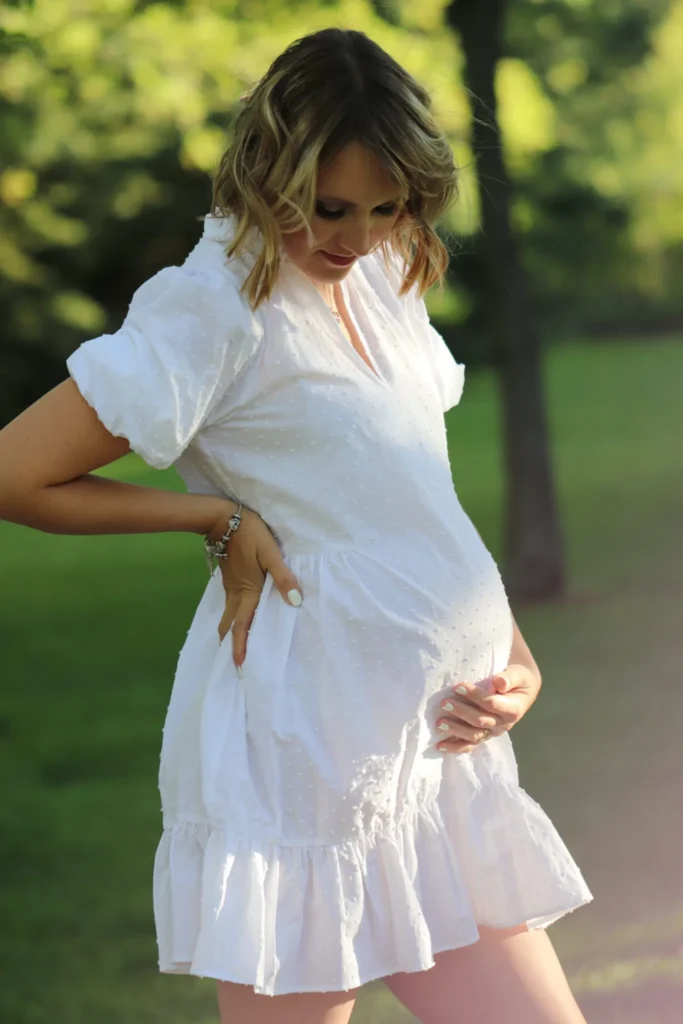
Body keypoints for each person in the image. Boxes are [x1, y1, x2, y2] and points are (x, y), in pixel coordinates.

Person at [0, 26, 593, 1024]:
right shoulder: (210, 310)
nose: (353, 235)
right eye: (326, 207)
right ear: (271, 169)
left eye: (384, 206)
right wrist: (215, 514)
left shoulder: (382, 274)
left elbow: (411, 502)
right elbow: (16, 471)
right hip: (305, 753)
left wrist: (512, 656)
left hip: (437, 759)